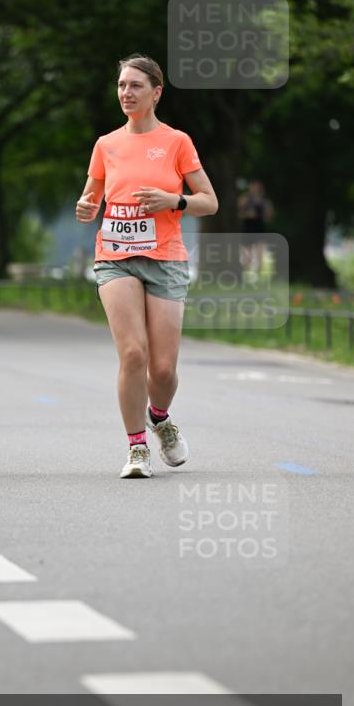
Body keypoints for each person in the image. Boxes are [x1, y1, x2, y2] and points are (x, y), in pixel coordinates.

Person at [76, 54, 218, 479]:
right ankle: (137, 448)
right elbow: (90, 198)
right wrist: (85, 207)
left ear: (156, 92)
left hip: (166, 258)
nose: (126, 93)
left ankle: (159, 416)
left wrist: (173, 200)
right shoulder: (106, 144)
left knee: (162, 369)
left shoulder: (177, 142)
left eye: (136, 85)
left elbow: (209, 201)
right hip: (115, 256)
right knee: (133, 353)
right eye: (121, 85)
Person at [238, 179, 274, 275]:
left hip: (259, 229)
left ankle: (257, 276)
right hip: (248, 229)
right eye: (253, 185)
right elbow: (238, 214)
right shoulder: (244, 199)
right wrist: (248, 215)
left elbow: (269, 216)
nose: (255, 188)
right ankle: (245, 275)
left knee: (260, 256)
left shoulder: (264, 201)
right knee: (246, 258)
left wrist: (264, 215)